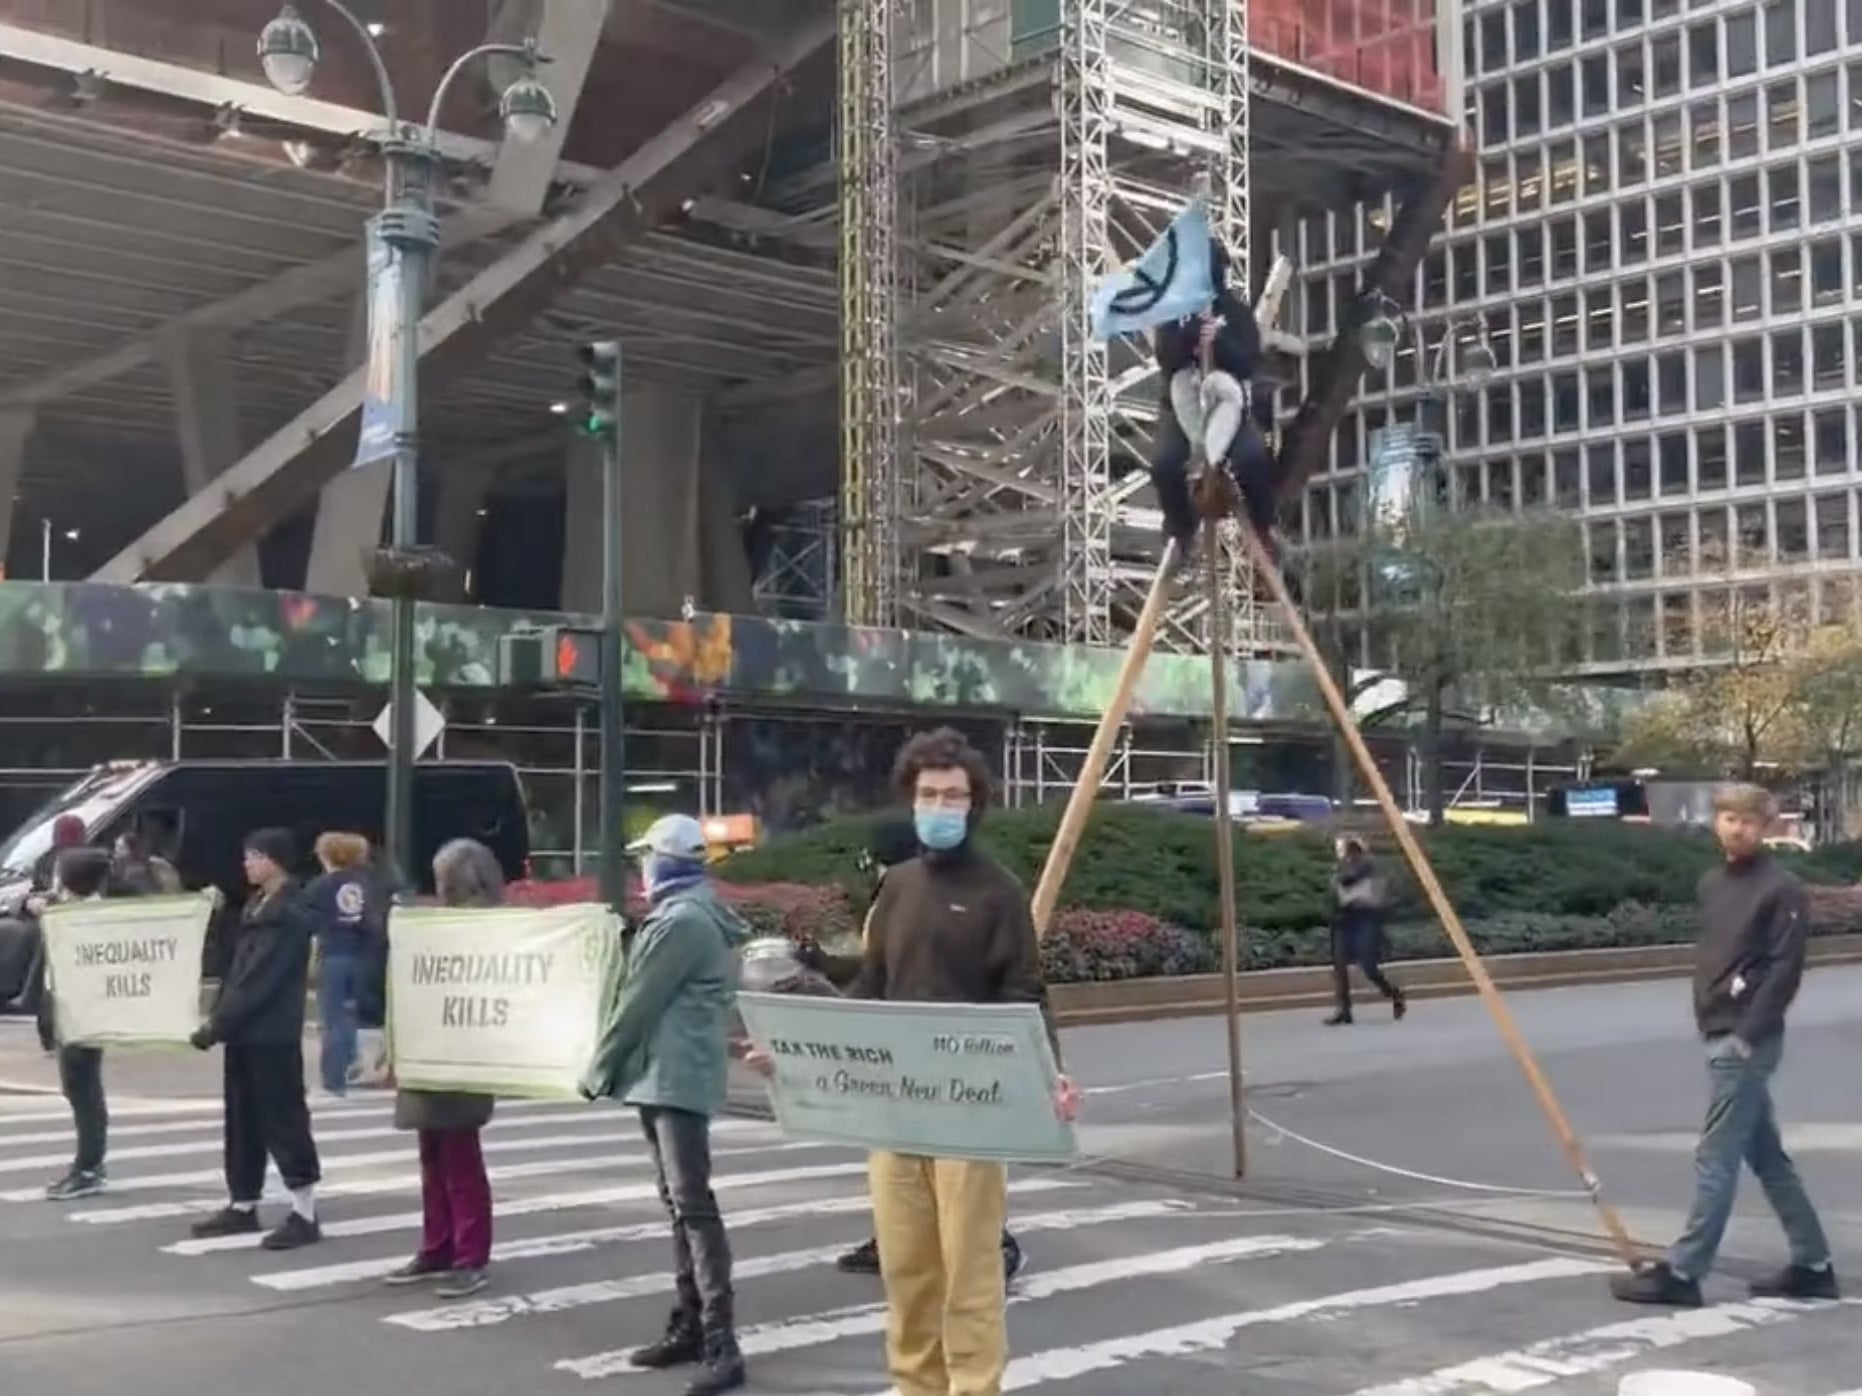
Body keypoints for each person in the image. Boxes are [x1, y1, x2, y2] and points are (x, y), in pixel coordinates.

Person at [755, 727, 1077, 1396]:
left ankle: (973, 1386)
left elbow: (1024, 994)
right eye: (929, 793)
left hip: (970, 1119)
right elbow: (869, 990)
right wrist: (794, 1051)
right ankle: (915, 1387)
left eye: (953, 795)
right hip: (894, 1117)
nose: (940, 805)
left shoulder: (999, 892)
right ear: (911, 797)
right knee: (907, 1275)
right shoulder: (897, 888)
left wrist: (1049, 1077)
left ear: (974, 803)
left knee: (970, 1278)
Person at [1609, 783, 1838, 1308]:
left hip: (1745, 1041)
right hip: (1719, 1030)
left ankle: (1684, 1274)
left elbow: (1784, 972)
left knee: (1716, 1156)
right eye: (1730, 818)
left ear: (1769, 827)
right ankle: (1813, 1262)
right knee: (1767, 1158)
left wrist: (1745, 1036)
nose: (1738, 828)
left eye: (1749, 821)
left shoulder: (1781, 889)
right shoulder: (1713, 883)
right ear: (1718, 822)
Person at [813, 813, 1026, 1282]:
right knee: (899, 1155)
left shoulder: (942, 898)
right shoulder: (896, 897)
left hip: (940, 1049)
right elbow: (876, 969)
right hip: (898, 1045)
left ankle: (996, 1244)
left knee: (952, 1158)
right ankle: (891, 1238)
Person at [580, 814, 750, 1396]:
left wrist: (598, 1069)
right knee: (680, 1203)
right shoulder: (692, 913)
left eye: (646, 858)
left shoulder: (681, 921)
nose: (641, 869)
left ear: (667, 860)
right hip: (667, 1074)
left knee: (692, 1205)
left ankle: (720, 1341)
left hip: (675, 1075)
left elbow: (638, 1002)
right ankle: (693, 1324)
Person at [374, 838, 499, 1299]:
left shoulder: (488, 927)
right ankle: (437, 1245)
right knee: (433, 1157)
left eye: (445, 874)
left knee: (461, 1158)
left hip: (463, 1052)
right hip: (427, 1050)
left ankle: (469, 1255)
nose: (439, 883)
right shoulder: (433, 923)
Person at [187, 828, 323, 1251]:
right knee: (242, 1119)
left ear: (274, 860)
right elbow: (237, 975)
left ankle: (305, 1212)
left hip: (272, 1035)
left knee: (283, 1119)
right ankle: (243, 1203)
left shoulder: (288, 914)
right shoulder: (257, 906)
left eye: (253, 856)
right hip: (246, 1033)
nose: (246, 863)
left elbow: (258, 979)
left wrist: (216, 1025)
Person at [1147, 238, 1279, 564]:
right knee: (1165, 463)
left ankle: (1262, 527)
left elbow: (1248, 364)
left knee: (1253, 459)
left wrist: (1219, 342)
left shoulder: (1236, 313)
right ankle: (1180, 529)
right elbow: (1167, 359)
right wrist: (1191, 336)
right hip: (1183, 405)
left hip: (1227, 403)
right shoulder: (1174, 313)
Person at [30, 846, 129, 1200]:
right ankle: (89, 1164)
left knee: (84, 1091)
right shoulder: (70, 909)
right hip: (68, 1010)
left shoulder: (82, 916)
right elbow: (30, 903)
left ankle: (88, 1167)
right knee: (79, 1090)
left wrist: (48, 911)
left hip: (82, 1013)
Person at [303, 832, 378, 1097]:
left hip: (332, 954)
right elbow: (371, 923)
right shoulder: (362, 884)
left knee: (331, 1019)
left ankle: (333, 1079)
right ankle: (351, 1060)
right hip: (358, 956)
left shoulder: (320, 886)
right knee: (348, 1014)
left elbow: (305, 920)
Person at [1324, 837, 1405, 1026]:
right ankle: (1344, 1010)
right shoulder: (1340, 867)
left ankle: (1395, 994)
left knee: (1368, 966)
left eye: (1343, 849)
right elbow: (1334, 893)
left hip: (1365, 919)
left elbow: (1348, 880)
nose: (1341, 853)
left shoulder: (1367, 864)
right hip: (1344, 919)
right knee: (1340, 966)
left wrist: (1339, 875)